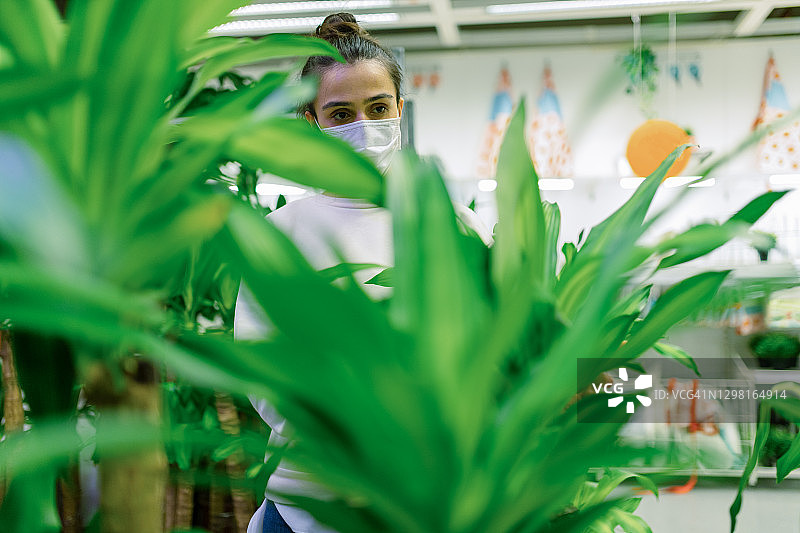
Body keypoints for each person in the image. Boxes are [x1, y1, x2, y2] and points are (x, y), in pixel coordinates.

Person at [235, 13, 490, 533]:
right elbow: (261, 373)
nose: (364, 126)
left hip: (423, 501)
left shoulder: (452, 225)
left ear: (399, 109)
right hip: (309, 501)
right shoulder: (280, 235)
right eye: (341, 113)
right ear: (313, 123)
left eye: (377, 108)